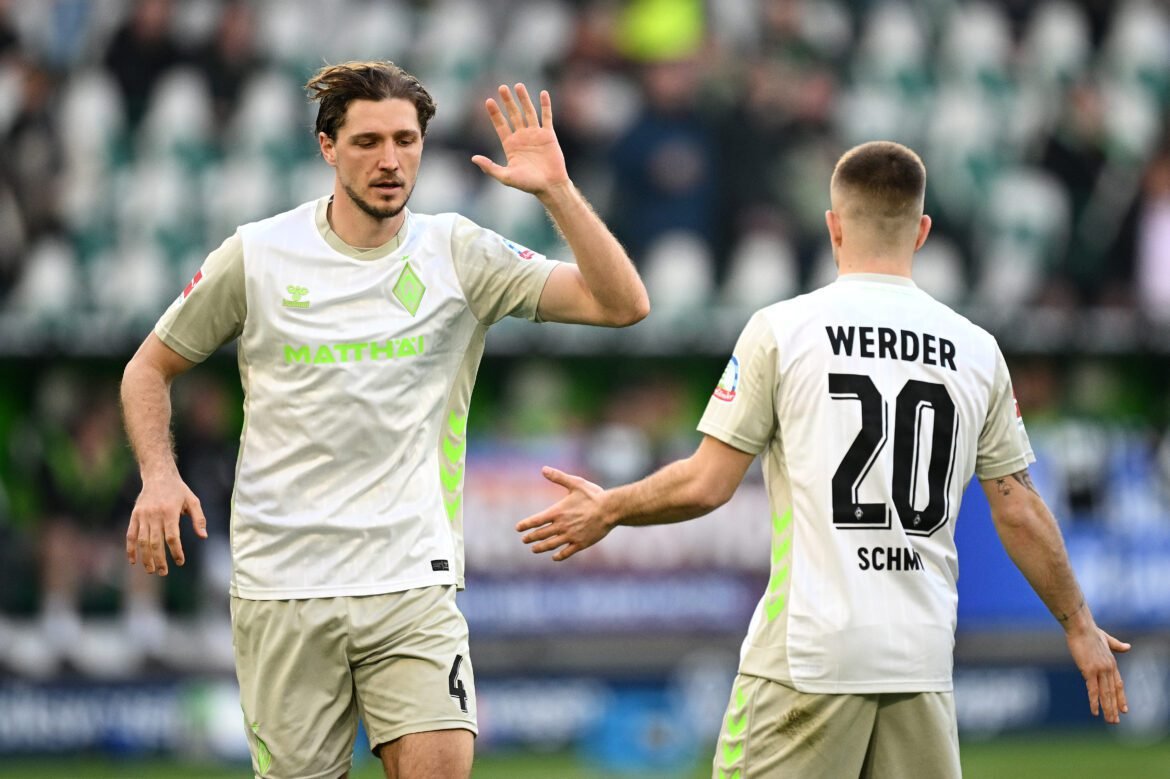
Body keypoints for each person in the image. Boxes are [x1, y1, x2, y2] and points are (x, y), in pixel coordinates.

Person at [517, 141, 1129, 778]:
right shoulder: (977, 351)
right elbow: (1020, 510)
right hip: (920, 659)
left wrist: (611, 507)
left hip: (810, 654)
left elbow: (706, 484)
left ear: (834, 226)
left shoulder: (785, 330)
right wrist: (1078, 624)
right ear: (922, 231)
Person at [120, 60, 648, 779]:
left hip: (410, 576)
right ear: (327, 148)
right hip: (282, 583)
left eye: (406, 140)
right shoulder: (260, 253)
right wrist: (158, 474)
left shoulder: (458, 252)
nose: (390, 160)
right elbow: (147, 368)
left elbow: (622, 304)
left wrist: (556, 190)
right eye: (367, 142)